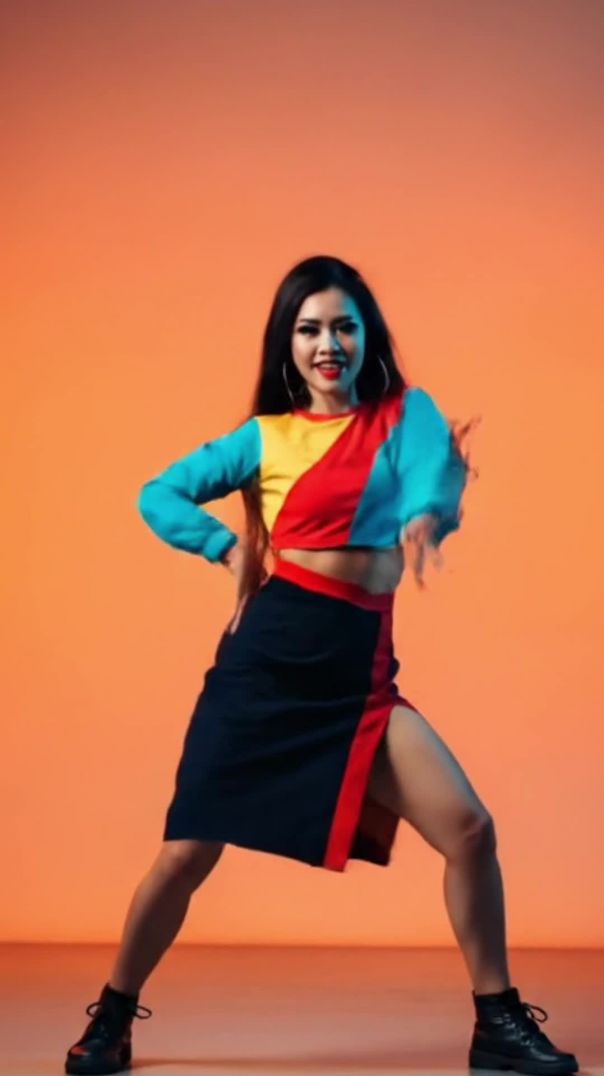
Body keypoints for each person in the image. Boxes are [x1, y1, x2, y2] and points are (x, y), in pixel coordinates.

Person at [64, 255, 579, 1076]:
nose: (328, 344)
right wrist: (226, 546)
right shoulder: (266, 437)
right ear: (288, 343)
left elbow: (430, 472)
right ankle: (112, 1018)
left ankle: (497, 1023)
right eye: (309, 330)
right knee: (186, 854)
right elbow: (158, 494)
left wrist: (425, 515)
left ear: (366, 334)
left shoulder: (404, 413)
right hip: (265, 666)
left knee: (470, 830)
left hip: (356, 674)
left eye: (343, 326)